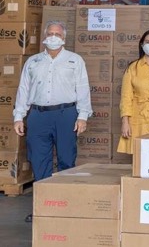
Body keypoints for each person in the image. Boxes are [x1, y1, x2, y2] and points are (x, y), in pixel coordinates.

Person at [13, 20, 92, 223]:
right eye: (50, 33)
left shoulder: (75, 60)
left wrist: (83, 115)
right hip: (38, 115)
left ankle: (65, 206)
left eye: (57, 34)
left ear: (64, 38)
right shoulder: (33, 62)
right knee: (40, 162)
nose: (53, 37)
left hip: (66, 114)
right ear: (44, 38)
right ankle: (42, 208)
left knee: (66, 159)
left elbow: (83, 88)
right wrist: (18, 116)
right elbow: (23, 89)